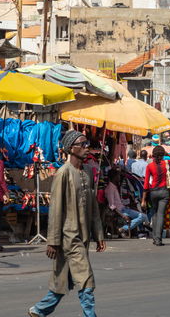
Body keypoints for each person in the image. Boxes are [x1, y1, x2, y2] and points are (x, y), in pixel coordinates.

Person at [29, 131, 105, 317]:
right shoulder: (63, 173)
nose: (87, 148)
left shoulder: (87, 172)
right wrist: (52, 241)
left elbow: (93, 207)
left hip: (84, 234)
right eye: (83, 144)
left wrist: (99, 235)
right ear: (71, 148)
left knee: (63, 280)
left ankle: (39, 310)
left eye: (87, 144)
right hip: (69, 236)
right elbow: (55, 209)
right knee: (85, 277)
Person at [142, 145, 170, 246]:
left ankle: (155, 237)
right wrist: (169, 155)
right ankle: (158, 239)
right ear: (163, 154)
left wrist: (143, 200)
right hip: (165, 192)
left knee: (154, 214)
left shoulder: (149, 166)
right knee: (161, 215)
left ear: (154, 155)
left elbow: (146, 184)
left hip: (153, 192)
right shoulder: (167, 163)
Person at [104, 169, 146, 238]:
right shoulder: (110, 188)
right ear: (114, 177)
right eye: (118, 176)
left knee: (143, 216)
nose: (119, 177)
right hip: (121, 211)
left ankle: (124, 229)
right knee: (142, 216)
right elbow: (111, 205)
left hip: (124, 208)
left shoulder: (115, 186)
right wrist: (123, 215)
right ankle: (124, 228)